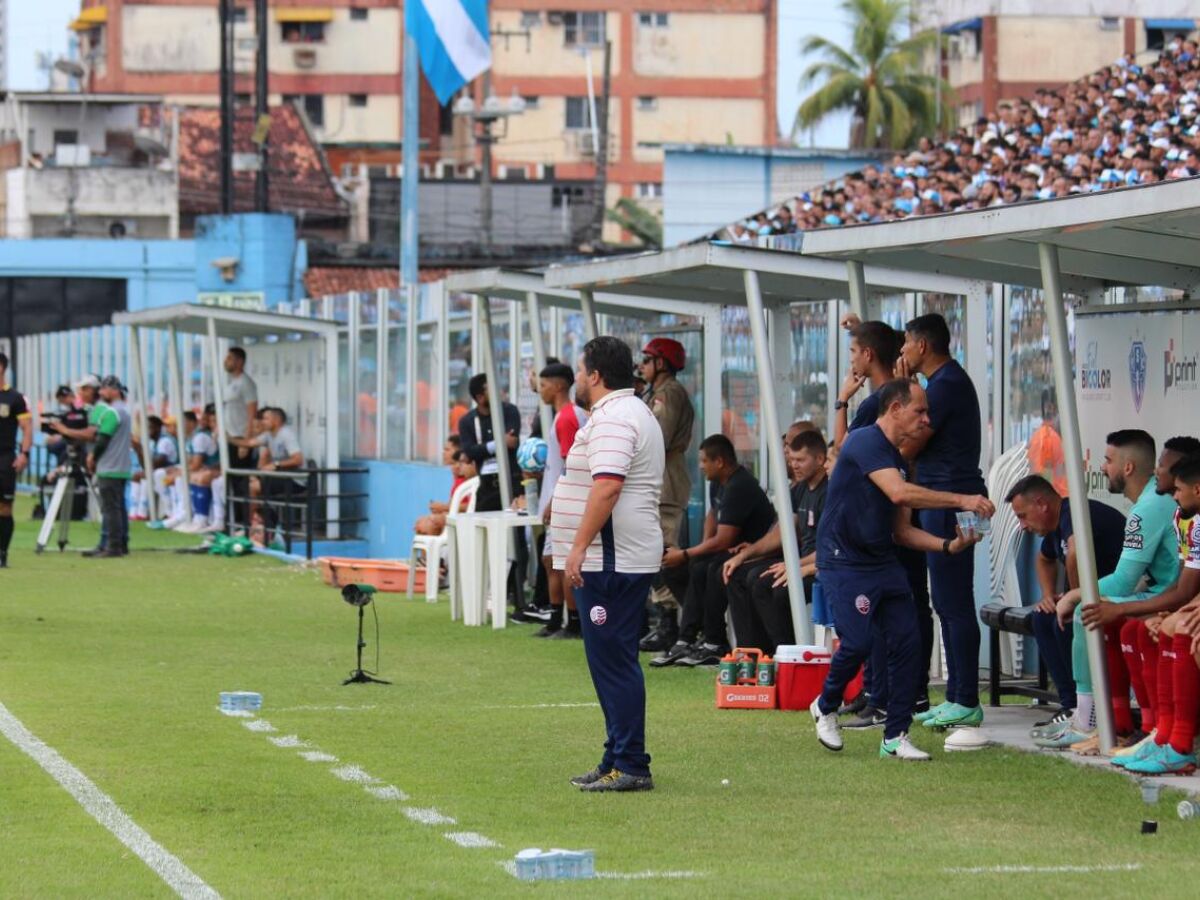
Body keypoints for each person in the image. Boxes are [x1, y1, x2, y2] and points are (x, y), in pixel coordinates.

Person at [810, 379, 991, 762]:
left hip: (880, 561)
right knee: (858, 643)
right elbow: (898, 494)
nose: (927, 420)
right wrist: (962, 498)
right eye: (920, 411)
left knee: (909, 643)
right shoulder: (863, 441)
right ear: (895, 409)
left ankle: (895, 737)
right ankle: (825, 706)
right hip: (844, 560)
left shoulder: (898, 459)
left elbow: (901, 530)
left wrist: (948, 545)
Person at [552, 336, 664, 793]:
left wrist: (578, 547)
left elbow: (608, 487)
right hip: (611, 556)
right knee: (608, 661)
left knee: (614, 662)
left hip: (610, 558)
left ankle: (632, 763)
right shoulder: (623, 412)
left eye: (580, 371)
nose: (577, 378)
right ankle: (616, 756)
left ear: (595, 376)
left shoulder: (617, 417)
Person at [1038, 430, 1180, 753]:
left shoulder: (1149, 507)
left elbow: (1123, 583)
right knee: (1105, 618)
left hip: (1174, 598)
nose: (1103, 467)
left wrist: (1074, 595)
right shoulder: (1149, 504)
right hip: (1164, 592)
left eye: (1107, 460)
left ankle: (1091, 719)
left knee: (1085, 612)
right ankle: (1115, 725)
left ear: (1127, 468)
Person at [897, 313, 990, 731]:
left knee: (954, 602)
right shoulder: (945, 383)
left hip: (953, 499)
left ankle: (966, 698)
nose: (901, 351)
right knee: (946, 603)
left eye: (905, 343)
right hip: (946, 496)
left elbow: (911, 442)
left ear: (922, 346)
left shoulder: (947, 386)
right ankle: (955, 695)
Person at [1005, 474, 1126, 725]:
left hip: (1121, 594)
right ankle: (1069, 704)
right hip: (1095, 595)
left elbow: (1075, 553)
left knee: (1064, 622)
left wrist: (1073, 597)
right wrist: (1049, 595)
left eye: (1022, 515)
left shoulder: (1073, 512)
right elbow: (1044, 559)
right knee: (1042, 616)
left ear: (1041, 503)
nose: (1023, 525)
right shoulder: (1055, 523)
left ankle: (1086, 707)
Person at [653, 434, 777, 668]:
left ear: (719, 462)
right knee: (681, 568)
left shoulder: (740, 485)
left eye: (703, 461)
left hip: (752, 552)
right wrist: (697, 551)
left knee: (708, 569)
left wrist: (688, 553)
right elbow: (713, 516)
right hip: (730, 550)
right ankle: (691, 637)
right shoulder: (719, 482)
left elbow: (723, 540)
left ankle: (712, 642)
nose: (700, 467)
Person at [1127, 453, 1200, 775]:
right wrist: (1174, 609)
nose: (1173, 496)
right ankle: (1160, 735)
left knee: (1181, 630)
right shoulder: (1186, 521)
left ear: (1197, 489)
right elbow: (1186, 583)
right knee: (1147, 628)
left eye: (1178, 490)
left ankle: (1180, 744)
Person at [724, 429, 828, 654]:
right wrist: (745, 554)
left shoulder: (829, 493)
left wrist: (794, 566)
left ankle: (786, 655)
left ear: (820, 459)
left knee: (769, 586)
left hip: (821, 568)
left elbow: (829, 550)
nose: (794, 466)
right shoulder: (800, 489)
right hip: (801, 562)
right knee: (739, 574)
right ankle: (750, 654)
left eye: (800, 460)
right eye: (791, 460)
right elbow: (782, 533)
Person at [638, 338, 696, 652]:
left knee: (663, 551)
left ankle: (673, 623)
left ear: (662, 363)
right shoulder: (657, 393)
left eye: (647, 360)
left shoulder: (668, 394)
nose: (642, 365)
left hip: (665, 478)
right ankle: (666, 619)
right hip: (657, 476)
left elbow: (656, 437)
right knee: (654, 551)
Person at [458, 373, 531, 616]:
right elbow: (469, 450)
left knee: (517, 539)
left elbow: (513, 442)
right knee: (483, 539)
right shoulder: (468, 421)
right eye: (492, 389)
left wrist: (482, 450)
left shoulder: (509, 411)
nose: (500, 392)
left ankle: (518, 596)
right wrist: (495, 445)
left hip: (511, 481)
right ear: (480, 396)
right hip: (487, 485)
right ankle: (484, 593)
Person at [53, 375, 133, 558]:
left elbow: (101, 438)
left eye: (104, 389)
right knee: (118, 507)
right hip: (120, 465)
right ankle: (120, 544)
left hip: (110, 465)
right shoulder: (123, 411)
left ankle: (112, 547)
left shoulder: (111, 412)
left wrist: (92, 456)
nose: (101, 392)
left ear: (114, 390)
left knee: (110, 508)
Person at [535, 362, 588, 639]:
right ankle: (558, 618)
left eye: (543, 386)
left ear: (558, 386)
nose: (539, 391)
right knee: (549, 559)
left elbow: (572, 465)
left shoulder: (568, 417)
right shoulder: (565, 416)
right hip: (562, 498)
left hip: (566, 501)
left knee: (559, 560)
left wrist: (554, 500)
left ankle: (573, 622)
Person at [241, 408, 306, 542]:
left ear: (276, 420)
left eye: (265, 420)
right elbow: (259, 462)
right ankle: (260, 525)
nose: (261, 425)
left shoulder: (285, 434)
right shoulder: (268, 436)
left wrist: (274, 465)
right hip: (281, 476)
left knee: (254, 488)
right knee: (249, 485)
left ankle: (254, 526)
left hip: (294, 479)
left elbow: (298, 459)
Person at [0, 352, 32, 568]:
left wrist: (24, 454)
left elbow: (27, 428)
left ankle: (3, 554)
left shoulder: (14, 398)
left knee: (4, 507)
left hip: (4, 458)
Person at [221, 346, 258, 532]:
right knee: (230, 482)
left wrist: (247, 441)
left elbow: (252, 413)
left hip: (240, 439)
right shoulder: (229, 383)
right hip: (229, 438)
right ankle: (231, 523)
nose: (225, 362)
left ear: (239, 362)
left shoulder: (246, 383)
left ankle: (244, 524)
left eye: (229, 359)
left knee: (241, 483)